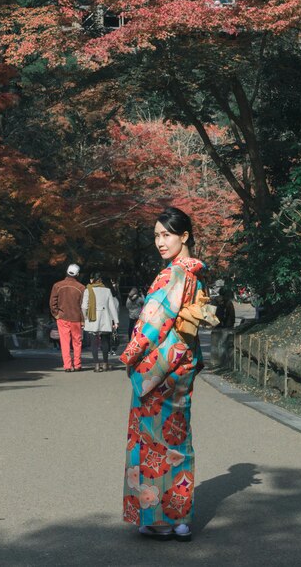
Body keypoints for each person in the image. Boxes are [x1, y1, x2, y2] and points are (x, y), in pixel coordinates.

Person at [120, 207, 206, 542]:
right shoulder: (194, 274)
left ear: (184, 236)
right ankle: (181, 518)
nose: (160, 241)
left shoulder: (171, 275)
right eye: (156, 235)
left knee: (151, 444)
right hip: (182, 362)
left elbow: (154, 321)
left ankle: (157, 518)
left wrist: (130, 353)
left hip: (157, 367)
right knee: (178, 440)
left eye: (167, 234)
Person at [49, 264, 85, 372]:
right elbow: (83, 306)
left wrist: (56, 314)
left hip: (62, 317)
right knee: (77, 342)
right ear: (77, 274)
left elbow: (52, 302)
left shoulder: (57, 285)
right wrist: (83, 320)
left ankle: (67, 365)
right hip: (76, 318)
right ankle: (77, 364)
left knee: (64, 342)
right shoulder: (81, 288)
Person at [82, 271, 119, 372]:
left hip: (92, 318)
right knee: (105, 341)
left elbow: (84, 306)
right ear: (101, 280)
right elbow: (112, 307)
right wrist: (116, 321)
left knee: (94, 342)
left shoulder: (88, 290)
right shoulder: (107, 291)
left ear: (93, 279)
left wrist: (84, 318)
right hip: (105, 317)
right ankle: (105, 364)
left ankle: (96, 365)